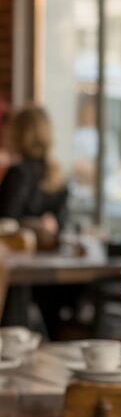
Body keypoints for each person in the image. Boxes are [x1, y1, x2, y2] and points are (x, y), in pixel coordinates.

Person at [0, 106, 69, 332]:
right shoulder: (57, 175)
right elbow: (62, 225)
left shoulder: (19, 172)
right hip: (51, 273)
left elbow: (6, 221)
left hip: (18, 269)